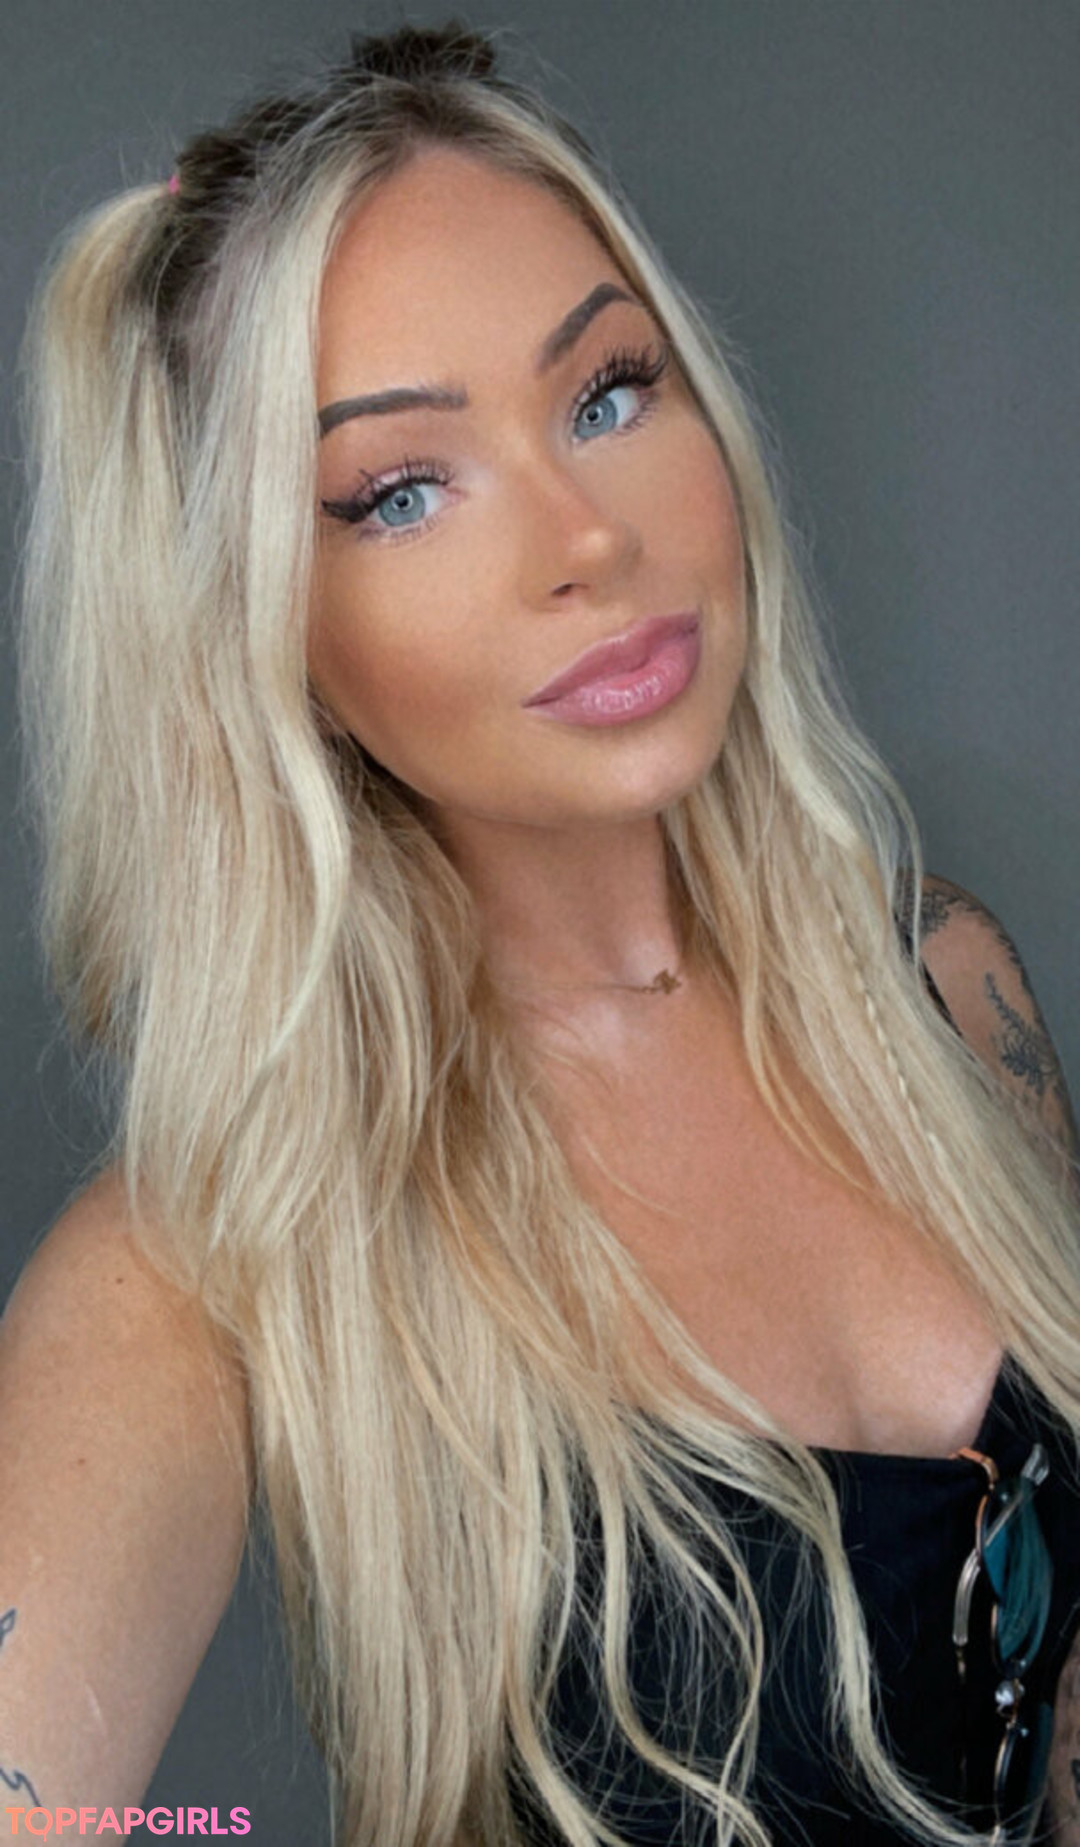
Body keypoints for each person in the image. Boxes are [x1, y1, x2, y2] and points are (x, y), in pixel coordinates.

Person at [3, 20, 1078, 1846]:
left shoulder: (940, 987)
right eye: (402, 491)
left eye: (607, 394)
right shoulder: (222, 1246)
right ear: (265, 633)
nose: (587, 537)